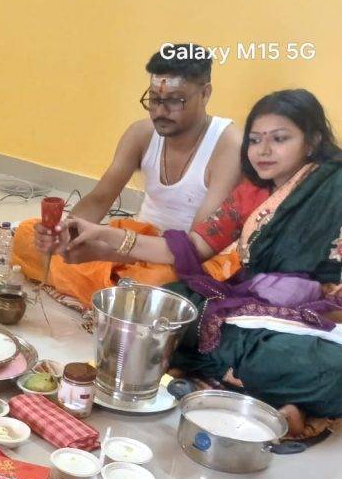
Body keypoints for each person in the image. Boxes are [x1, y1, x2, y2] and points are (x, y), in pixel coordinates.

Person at [57, 89, 342, 433]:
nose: (263, 151)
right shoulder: (254, 191)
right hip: (245, 309)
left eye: (280, 139)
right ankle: (272, 395)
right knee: (164, 305)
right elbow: (192, 247)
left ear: (312, 141)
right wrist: (103, 236)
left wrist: (297, 301)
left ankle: (238, 377)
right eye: (255, 140)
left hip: (315, 327)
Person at [13, 43, 244, 306]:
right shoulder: (141, 133)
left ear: (205, 94)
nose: (160, 111)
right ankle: (115, 294)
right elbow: (100, 198)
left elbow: (194, 248)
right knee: (26, 234)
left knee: (160, 285)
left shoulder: (228, 146)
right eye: (155, 99)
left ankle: (114, 291)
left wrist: (104, 246)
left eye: (174, 101)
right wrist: (65, 235)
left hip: (188, 258)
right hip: (137, 240)